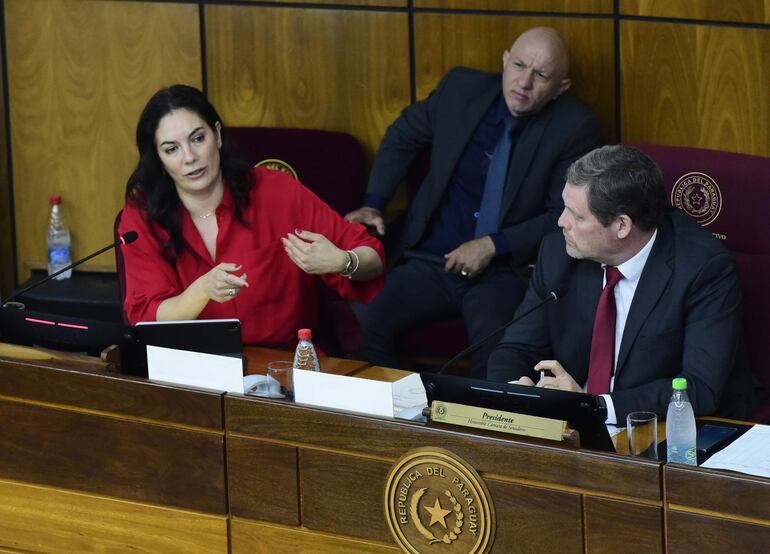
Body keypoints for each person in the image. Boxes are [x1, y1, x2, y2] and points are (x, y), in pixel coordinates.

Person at [346, 27, 600, 377]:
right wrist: (374, 203)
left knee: (500, 360)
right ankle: (406, 413)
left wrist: (493, 245)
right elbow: (402, 136)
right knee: (360, 323)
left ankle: (471, 427)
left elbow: (561, 215)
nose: (523, 82)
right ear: (505, 61)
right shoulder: (460, 89)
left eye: (540, 75)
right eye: (519, 65)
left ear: (561, 87)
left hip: (503, 273)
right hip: (430, 259)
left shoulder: (574, 127)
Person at [486, 145, 761, 423]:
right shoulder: (559, 253)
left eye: (577, 216)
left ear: (621, 226)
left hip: (675, 428)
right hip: (574, 424)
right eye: (564, 208)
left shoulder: (703, 268)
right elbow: (516, 348)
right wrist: (515, 390)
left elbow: (699, 388)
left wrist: (593, 406)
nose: (561, 222)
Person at [119, 85, 384, 347]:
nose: (189, 157)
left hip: (282, 367)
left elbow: (372, 258)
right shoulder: (142, 216)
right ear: (158, 158)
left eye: (198, 138)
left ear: (218, 136)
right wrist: (201, 291)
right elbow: (147, 318)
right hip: (193, 369)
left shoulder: (275, 192)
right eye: (171, 149)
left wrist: (344, 261)